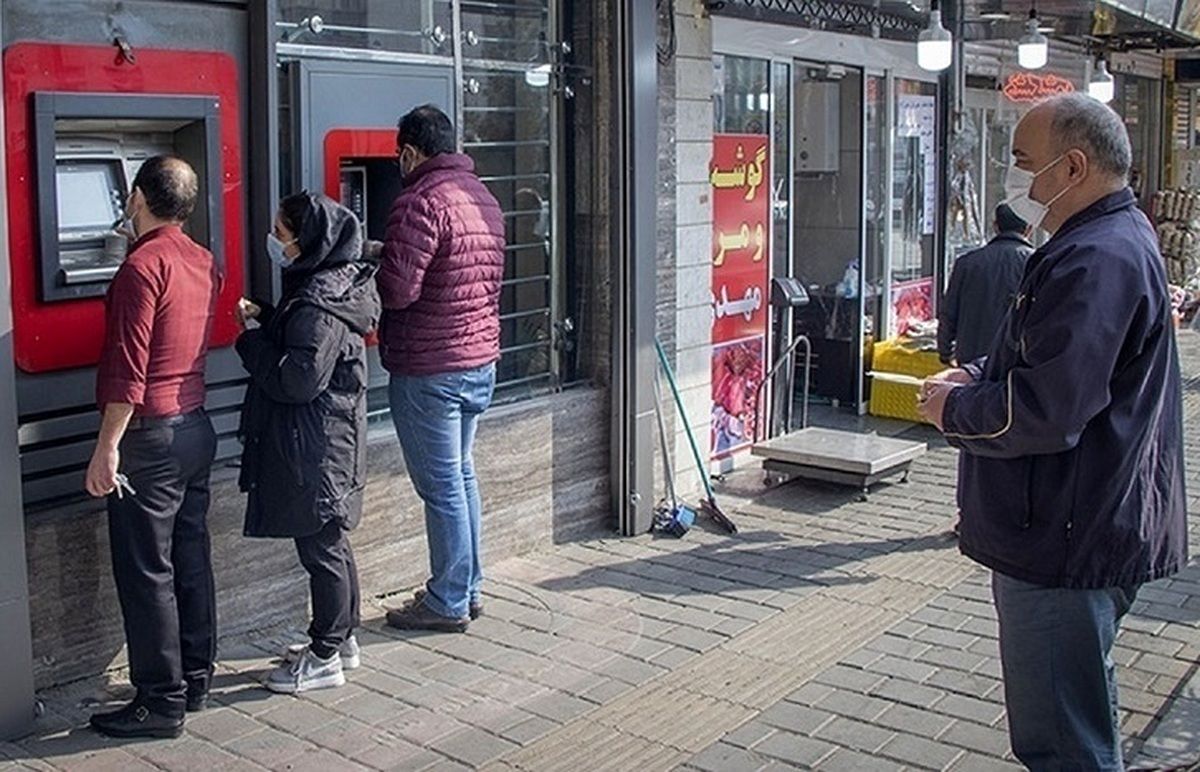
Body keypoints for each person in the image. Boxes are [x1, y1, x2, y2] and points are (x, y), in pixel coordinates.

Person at [917, 93, 1187, 771]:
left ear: (1071, 167)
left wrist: (953, 410)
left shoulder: (1096, 259)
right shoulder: (1100, 242)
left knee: (1063, 744)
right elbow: (1037, 354)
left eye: (1021, 162)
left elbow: (1045, 409)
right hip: (1081, 525)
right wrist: (974, 372)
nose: (1015, 179)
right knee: (1079, 720)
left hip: (1066, 536)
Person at [85, 156, 221, 739]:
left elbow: (127, 371)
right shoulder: (201, 260)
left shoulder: (142, 267)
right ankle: (193, 678)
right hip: (195, 428)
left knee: (146, 571)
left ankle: (159, 701)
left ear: (137, 196)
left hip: (150, 438)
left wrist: (106, 447)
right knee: (189, 559)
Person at [235, 192, 379, 693]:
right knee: (332, 542)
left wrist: (251, 341)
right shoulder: (330, 287)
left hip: (316, 444)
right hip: (327, 437)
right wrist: (270, 316)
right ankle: (342, 640)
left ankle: (323, 656)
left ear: (307, 239)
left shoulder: (321, 300)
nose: (275, 240)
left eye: (281, 231)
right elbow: (305, 345)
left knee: (321, 547)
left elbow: (298, 379)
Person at [377, 104, 504, 633]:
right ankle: (468, 587)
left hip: (432, 367)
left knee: (444, 486)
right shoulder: (483, 196)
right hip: (479, 360)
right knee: (461, 476)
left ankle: (447, 598)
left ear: (409, 151)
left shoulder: (420, 201)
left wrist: (374, 264)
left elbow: (398, 290)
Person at [937, 204, 1034, 366]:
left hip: (971, 359)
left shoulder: (967, 263)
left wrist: (945, 352)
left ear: (995, 226)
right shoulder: (1036, 263)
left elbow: (948, 313)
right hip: (1016, 361)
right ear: (1029, 229)